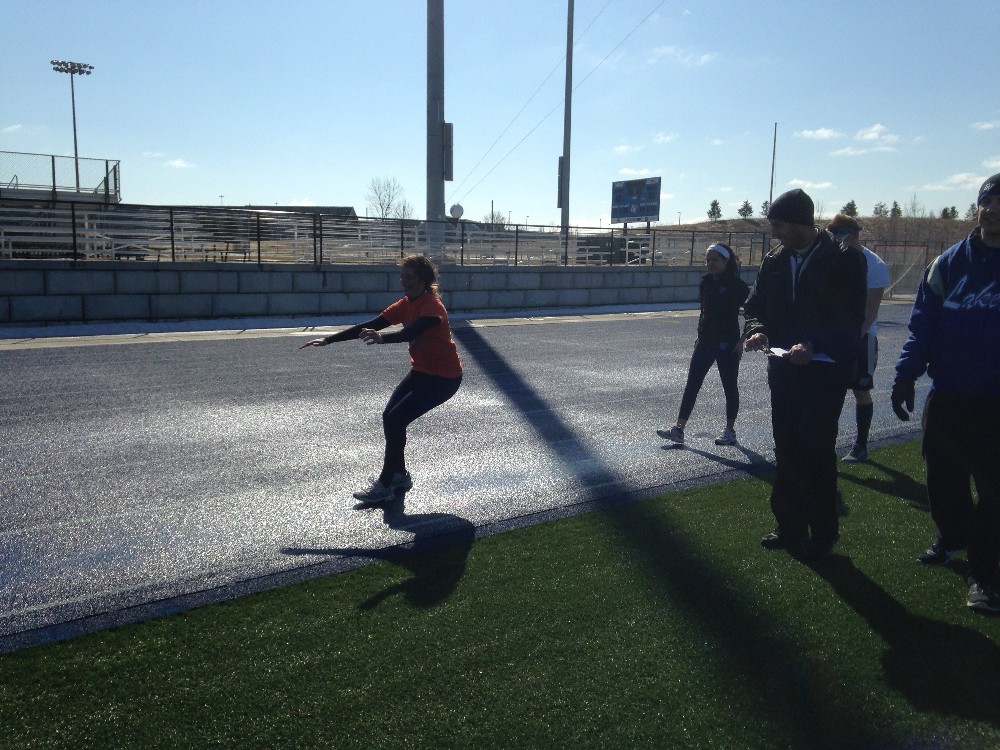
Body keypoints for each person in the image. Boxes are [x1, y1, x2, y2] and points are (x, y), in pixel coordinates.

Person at [891, 172, 1000, 612]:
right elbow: (923, 327)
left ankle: (985, 576)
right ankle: (952, 538)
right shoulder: (949, 264)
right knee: (942, 478)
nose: (993, 210)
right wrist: (905, 374)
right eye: (987, 202)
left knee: (993, 492)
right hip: (950, 395)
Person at [743, 189, 867, 560]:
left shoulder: (844, 259)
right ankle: (790, 525)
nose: (774, 233)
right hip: (783, 373)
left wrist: (811, 345)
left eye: (778, 225)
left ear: (798, 222)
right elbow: (754, 306)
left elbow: (849, 318)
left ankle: (823, 531)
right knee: (787, 450)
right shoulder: (775, 260)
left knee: (815, 450)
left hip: (823, 374)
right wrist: (756, 330)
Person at [300, 254, 463, 505]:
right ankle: (399, 475)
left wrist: (382, 338)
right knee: (390, 416)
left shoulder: (432, 306)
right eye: (402, 276)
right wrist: (329, 339)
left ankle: (386, 484)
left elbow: (411, 332)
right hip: (422, 371)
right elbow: (373, 324)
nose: (403, 281)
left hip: (445, 378)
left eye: (409, 277)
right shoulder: (406, 303)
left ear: (422, 279)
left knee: (397, 418)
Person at [657, 242, 749, 447]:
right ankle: (679, 429)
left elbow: (753, 314)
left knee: (729, 386)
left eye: (715, 260)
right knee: (692, 384)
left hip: (728, 344)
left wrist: (742, 340)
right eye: (708, 260)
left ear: (726, 261)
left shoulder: (738, 286)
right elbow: (704, 313)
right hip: (705, 342)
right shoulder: (706, 283)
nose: (710, 264)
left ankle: (729, 430)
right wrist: (700, 336)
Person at [826, 214, 891, 463]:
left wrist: (850, 340)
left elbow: (870, 311)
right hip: (834, 338)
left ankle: (861, 445)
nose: (836, 241)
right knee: (830, 392)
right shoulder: (832, 260)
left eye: (839, 235)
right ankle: (826, 443)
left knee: (860, 390)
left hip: (861, 338)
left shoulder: (874, 265)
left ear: (854, 235)